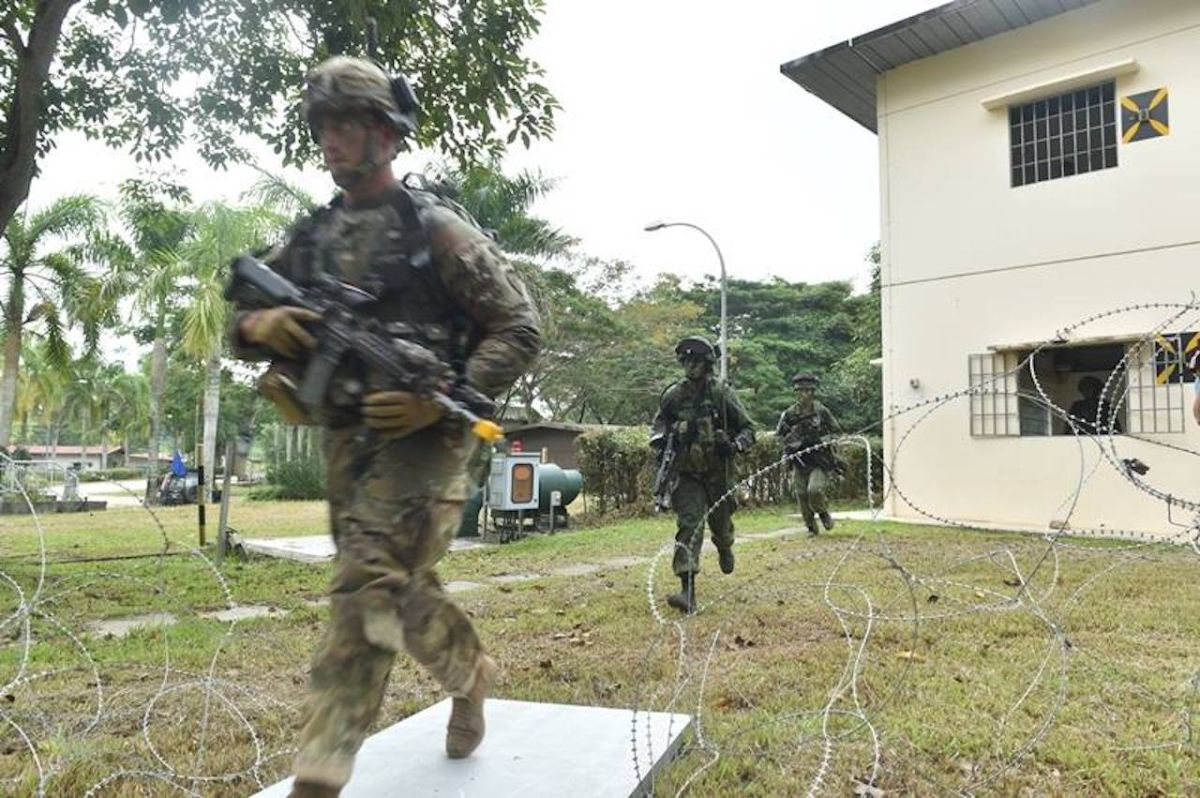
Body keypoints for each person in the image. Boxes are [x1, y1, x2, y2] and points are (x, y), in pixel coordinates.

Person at [227, 56, 541, 798]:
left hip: (428, 442)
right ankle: (469, 672)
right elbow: (238, 313)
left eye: (347, 123)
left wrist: (446, 398)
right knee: (395, 587)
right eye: (323, 125)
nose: (330, 139)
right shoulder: (311, 237)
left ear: (387, 135)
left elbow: (519, 328)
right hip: (346, 440)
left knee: (366, 586)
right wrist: (260, 326)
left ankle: (319, 775)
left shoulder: (435, 231)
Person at [650, 336, 755, 613]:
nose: (691, 366)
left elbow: (748, 429)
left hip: (719, 473)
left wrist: (733, 445)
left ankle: (725, 545)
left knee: (721, 523)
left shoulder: (721, 393)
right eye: (687, 361)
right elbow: (658, 428)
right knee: (690, 524)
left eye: (696, 361)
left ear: (707, 364)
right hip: (688, 474)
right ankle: (688, 591)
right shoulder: (673, 396)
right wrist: (665, 442)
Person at [777, 372, 842, 537]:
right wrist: (791, 443)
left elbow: (837, 432)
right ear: (796, 392)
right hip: (800, 460)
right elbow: (779, 436)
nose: (804, 394)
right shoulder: (789, 414)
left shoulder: (821, 411)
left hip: (819, 460)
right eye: (800, 391)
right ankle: (811, 527)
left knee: (814, 490)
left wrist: (822, 441)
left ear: (813, 392)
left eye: (807, 391)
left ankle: (823, 513)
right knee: (801, 494)